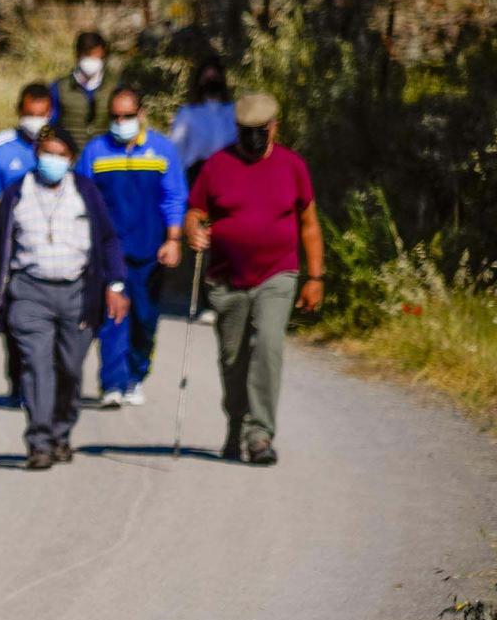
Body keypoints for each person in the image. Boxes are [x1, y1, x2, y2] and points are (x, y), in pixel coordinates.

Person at [184, 93, 325, 466]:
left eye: (260, 131)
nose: (253, 138)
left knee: (267, 346)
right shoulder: (217, 165)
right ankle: (236, 422)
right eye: (246, 131)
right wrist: (193, 230)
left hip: (277, 274)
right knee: (233, 360)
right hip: (227, 279)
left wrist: (315, 277)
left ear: (274, 127)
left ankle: (260, 434)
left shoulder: (292, 166)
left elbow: (309, 224)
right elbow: (196, 211)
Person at [0, 127, 129, 470]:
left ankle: (61, 431)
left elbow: (107, 240)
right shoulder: (17, 193)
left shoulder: (86, 193)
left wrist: (116, 284)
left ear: (72, 159)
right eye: (47, 152)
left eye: (60, 155)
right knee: (36, 366)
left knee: (70, 368)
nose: (53, 160)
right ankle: (40, 441)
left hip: (78, 292)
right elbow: (2, 248)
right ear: (36, 154)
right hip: (30, 291)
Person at [75, 86, 187, 407]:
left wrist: (173, 239)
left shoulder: (162, 150)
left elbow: (174, 198)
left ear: (141, 115)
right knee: (113, 315)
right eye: (115, 116)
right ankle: (112, 382)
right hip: (110, 255)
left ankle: (136, 375)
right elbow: (82, 199)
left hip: (149, 252)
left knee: (144, 320)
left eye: (127, 116)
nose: (120, 121)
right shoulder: (96, 152)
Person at [0, 82, 53, 396]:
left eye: (41, 114)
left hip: (50, 247)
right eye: (29, 114)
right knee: (16, 315)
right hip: (13, 248)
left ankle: (44, 378)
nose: (35, 120)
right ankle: (19, 377)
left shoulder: (57, 147)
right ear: (19, 112)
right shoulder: (2, 145)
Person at [170, 56, 238, 180]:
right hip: (197, 174)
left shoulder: (233, 111)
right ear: (200, 81)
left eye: (215, 78)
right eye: (207, 78)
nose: (211, 81)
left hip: (228, 173)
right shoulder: (188, 113)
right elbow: (177, 150)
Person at [49, 30, 118, 150]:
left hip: (103, 158)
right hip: (70, 159)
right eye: (87, 54)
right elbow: (50, 124)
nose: (91, 60)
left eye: (95, 54)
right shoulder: (59, 88)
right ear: (77, 55)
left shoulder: (113, 87)